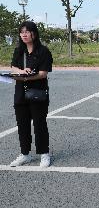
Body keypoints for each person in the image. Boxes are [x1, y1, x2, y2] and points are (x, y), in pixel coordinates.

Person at [9, 21, 53, 168]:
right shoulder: (19, 51)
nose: (24, 35)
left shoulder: (43, 51)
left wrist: (27, 76)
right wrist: (21, 72)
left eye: (27, 32)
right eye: (22, 32)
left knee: (40, 124)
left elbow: (43, 73)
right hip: (20, 93)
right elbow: (13, 67)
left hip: (37, 93)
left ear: (34, 33)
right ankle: (25, 154)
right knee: (22, 124)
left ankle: (44, 154)